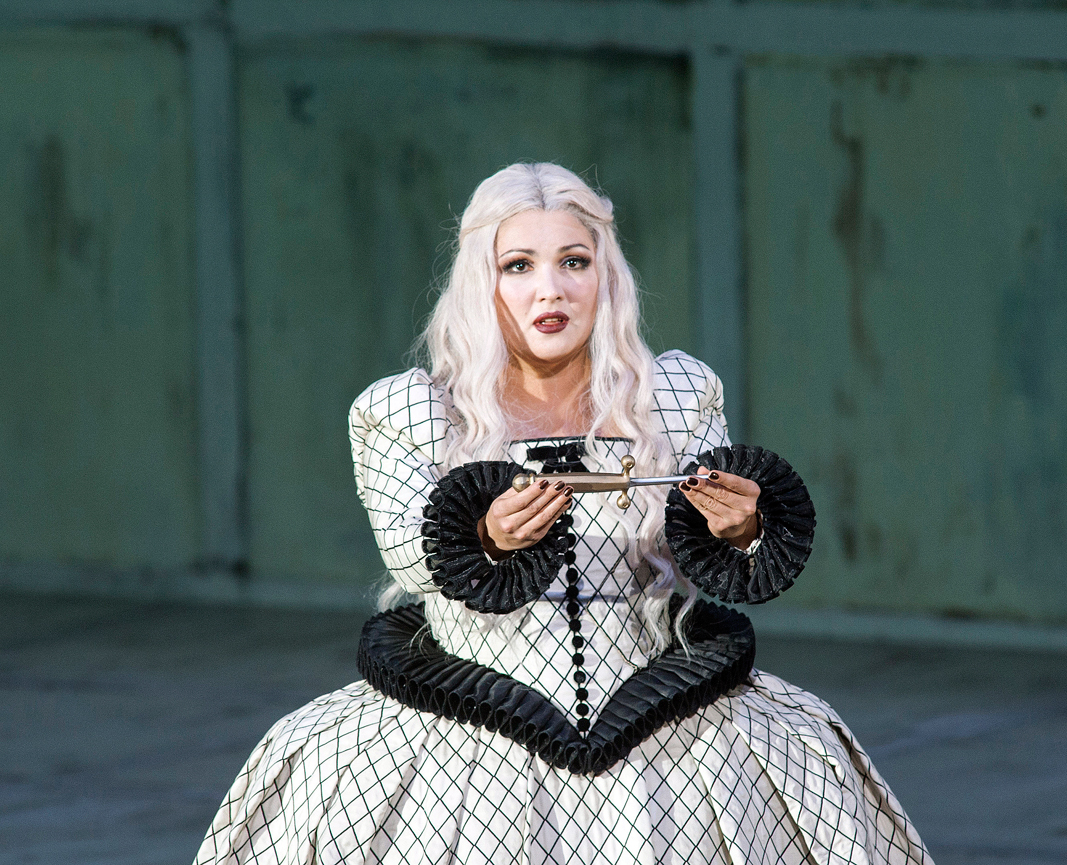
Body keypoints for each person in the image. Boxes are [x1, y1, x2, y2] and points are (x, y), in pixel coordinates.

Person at [194, 163, 931, 865]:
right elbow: (411, 555)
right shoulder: (409, 412)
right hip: (466, 731)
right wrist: (484, 534)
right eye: (519, 265)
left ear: (605, 273)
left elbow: (712, 550)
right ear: (481, 279)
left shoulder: (674, 393)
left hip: (673, 726)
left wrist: (738, 526)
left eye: (574, 261)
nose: (552, 288)